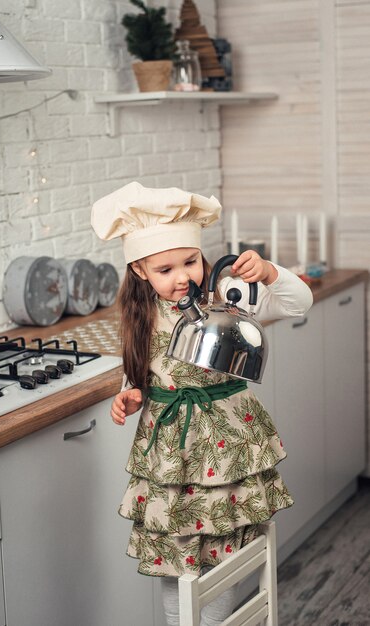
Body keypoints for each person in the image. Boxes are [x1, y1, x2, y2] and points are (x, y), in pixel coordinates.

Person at [91, 181, 313, 626]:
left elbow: (299, 303)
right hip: (170, 458)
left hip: (228, 447)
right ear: (139, 271)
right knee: (176, 557)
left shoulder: (230, 293)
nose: (182, 277)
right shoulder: (141, 315)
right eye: (165, 269)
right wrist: (130, 395)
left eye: (190, 262)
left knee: (221, 549)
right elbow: (140, 372)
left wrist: (269, 273)